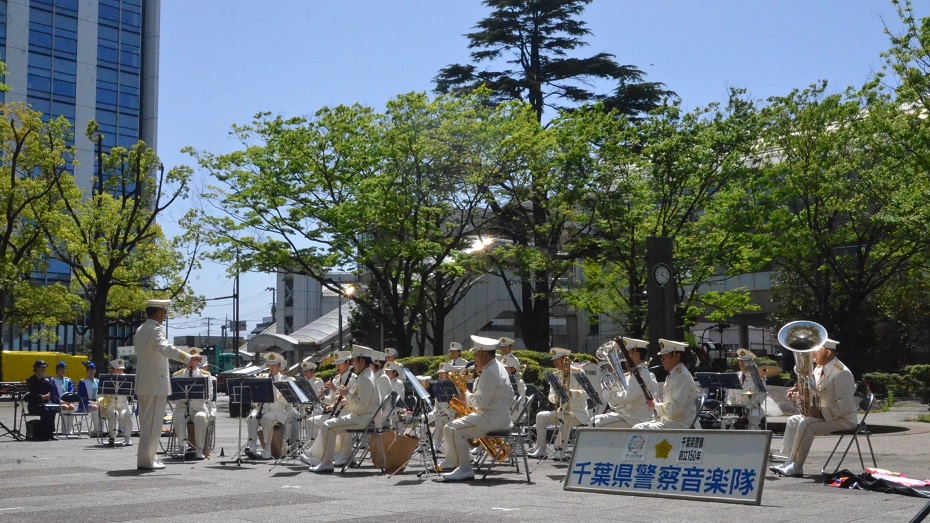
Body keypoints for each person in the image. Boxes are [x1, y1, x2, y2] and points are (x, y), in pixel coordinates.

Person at [771, 338, 857, 477]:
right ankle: (789, 461)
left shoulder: (841, 372)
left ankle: (797, 466)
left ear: (828, 352)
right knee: (793, 420)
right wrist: (798, 390)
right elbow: (814, 388)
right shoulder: (818, 368)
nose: (812, 355)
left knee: (807, 424)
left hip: (843, 419)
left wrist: (821, 414)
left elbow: (845, 403)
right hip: (826, 415)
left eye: (816, 351)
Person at [134, 299, 199, 470]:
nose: (165, 317)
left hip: (144, 383)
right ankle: (147, 460)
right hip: (155, 384)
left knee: (147, 423)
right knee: (153, 425)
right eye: (164, 313)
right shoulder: (154, 330)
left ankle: (149, 457)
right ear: (160, 313)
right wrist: (188, 358)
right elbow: (165, 348)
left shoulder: (141, 329)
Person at [438, 336, 513, 482]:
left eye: (475, 354)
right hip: (498, 416)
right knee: (451, 428)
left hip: (491, 419)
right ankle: (453, 462)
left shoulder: (490, 371)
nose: (474, 358)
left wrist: (466, 395)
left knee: (451, 428)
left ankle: (463, 468)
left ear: (482, 354)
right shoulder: (496, 366)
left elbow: (481, 402)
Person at [307, 345, 380, 473]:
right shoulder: (364, 375)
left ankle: (326, 462)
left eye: (354, 360)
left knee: (328, 425)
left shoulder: (366, 378)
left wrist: (347, 394)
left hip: (364, 418)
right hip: (362, 416)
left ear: (361, 360)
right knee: (328, 425)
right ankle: (326, 459)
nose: (352, 364)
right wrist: (346, 399)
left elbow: (362, 406)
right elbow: (360, 402)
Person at [528, 347, 590, 460]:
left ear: (565, 359)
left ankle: (559, 449)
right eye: (554, 361)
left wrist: (569, 392)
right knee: (541, 416)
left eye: (558, 361)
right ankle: (541, 448)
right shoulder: (556, 375)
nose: (556, 364)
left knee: (567, 417)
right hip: (561, 411)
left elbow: (587, 393)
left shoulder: (578, 373)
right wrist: (557, 396)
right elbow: (550, 396)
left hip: (578, 413)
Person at [592, 337, 660, 429]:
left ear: (637, 354)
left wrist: (607, 394)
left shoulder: (641, 373)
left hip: (637, 419)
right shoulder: (636, 373)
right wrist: (612, 388)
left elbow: (627, 398)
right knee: (593, 420)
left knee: (597, 423)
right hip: (628, 416)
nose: (626, 358)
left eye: (629, 354)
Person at [634, 339, 699, 429]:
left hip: (681, 424)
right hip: (670, 420)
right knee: (637, 427)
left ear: (676, 357)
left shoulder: (682, 376)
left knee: (640, 429)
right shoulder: (673, 375)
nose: (662, 361)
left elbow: (675, 408)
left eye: (664, 357)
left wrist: (655, 405)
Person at [171, 348, 215, 460]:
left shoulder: (205, 375)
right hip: (182, 407)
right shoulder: (177, 375)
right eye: (189, 359)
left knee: (200, 417)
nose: (191, 362)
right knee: (178, 416)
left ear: (198, 361)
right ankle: (182, 446)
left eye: (194, 360)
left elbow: (209, 396)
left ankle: (199, 449)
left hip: (199, 408)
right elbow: (173, 396)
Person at [246, 351, 290, 459]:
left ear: (279, 366)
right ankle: (252, 446)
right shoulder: (263, 378)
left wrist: (275, 390)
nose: (270, 368)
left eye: (273, 366)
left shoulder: (284, 380)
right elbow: (255, 397)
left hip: (277, 411)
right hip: (263, 409)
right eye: (269, 366)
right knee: (251, 417)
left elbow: (286, 402)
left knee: (266, 418)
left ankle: (267, 448)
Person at [100, 359, 134, 447]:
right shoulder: (106, 379)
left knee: (126, 414)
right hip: (110, 406)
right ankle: (112, 437)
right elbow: (100, 396)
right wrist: (103, 405)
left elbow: (132, 392)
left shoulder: (127, 379)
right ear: (112, 370)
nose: (119, 371)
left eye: (121, 369)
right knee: (114, 414)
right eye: (117, 369)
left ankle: (128, 437)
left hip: (123, 406)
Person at [24, 360, 58, 441]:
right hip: (35, 404)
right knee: (45, 410)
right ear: (36, 368)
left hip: (46, 403)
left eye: (44, 367)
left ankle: (50, 433)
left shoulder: (48, 378)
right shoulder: (31, 379)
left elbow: (53, 390)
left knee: (52, 410)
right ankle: (43, 433)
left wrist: (48, 395)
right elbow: (31, 393)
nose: (43, 369)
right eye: (41, 367)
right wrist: (40, 397)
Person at [52, 361, 78, 435]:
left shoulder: (68, 381)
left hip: (68, 401)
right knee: (65, 407)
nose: (62, 371)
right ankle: (64, 428)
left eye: (64, 369)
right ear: (56, 370)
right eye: (60, 369)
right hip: (58, 402)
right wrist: (61, 401)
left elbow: (71, 392)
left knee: (72, 407)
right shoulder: (53, 381)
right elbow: (53, 394)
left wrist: (69, 400)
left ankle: (69, 429)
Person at [77, 362, 101, 437]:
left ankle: (103, 429)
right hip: (85, 404)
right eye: (90, 370)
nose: (92, 372)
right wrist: (92, 402)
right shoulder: (83, 382)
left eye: (93, 370)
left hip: (97, 402)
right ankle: (97, 430)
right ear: (87, 371)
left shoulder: (98, 381)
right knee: (95, 408)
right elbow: (81, 396)